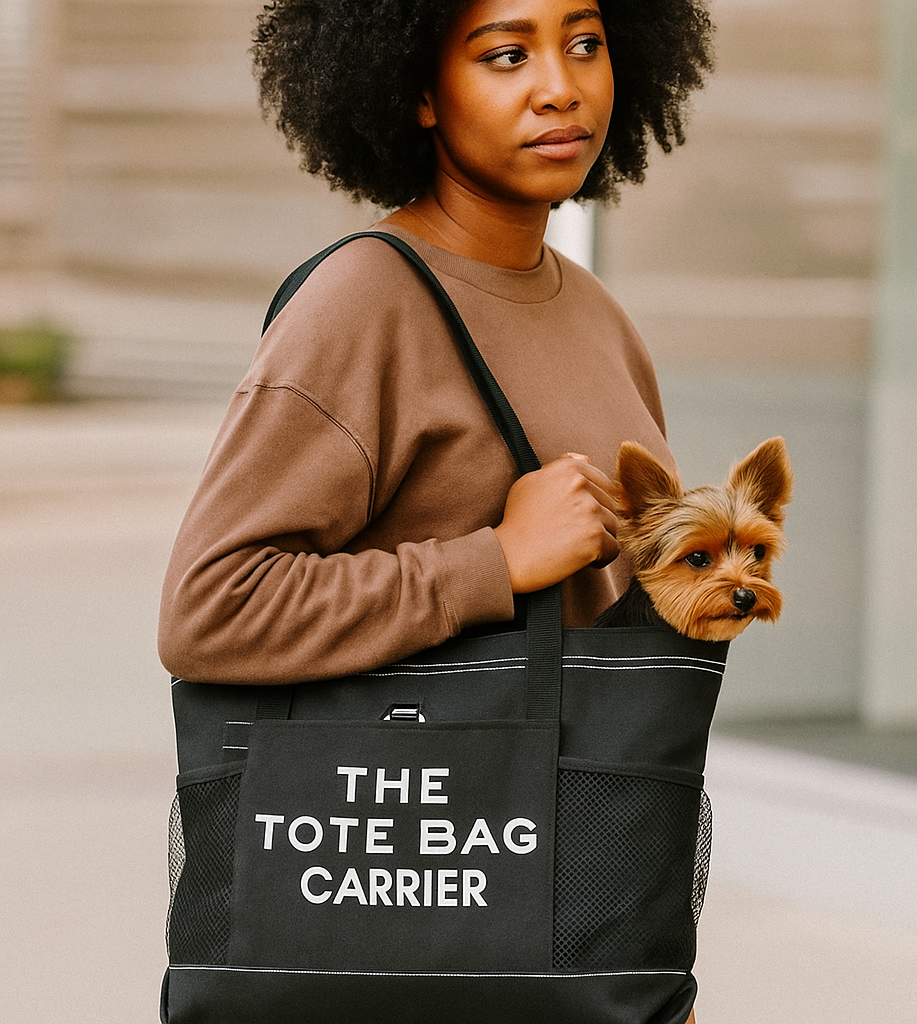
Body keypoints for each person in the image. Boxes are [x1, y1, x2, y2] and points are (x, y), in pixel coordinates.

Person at [159, 0, 712, 1018]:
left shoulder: (597, 315)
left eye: (584, 43)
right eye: (506, 54)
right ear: (415, 89)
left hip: (575, 910)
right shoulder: (364, 304)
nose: (562, 85)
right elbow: (210, 607)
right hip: (409, 913)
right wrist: (494, 562)